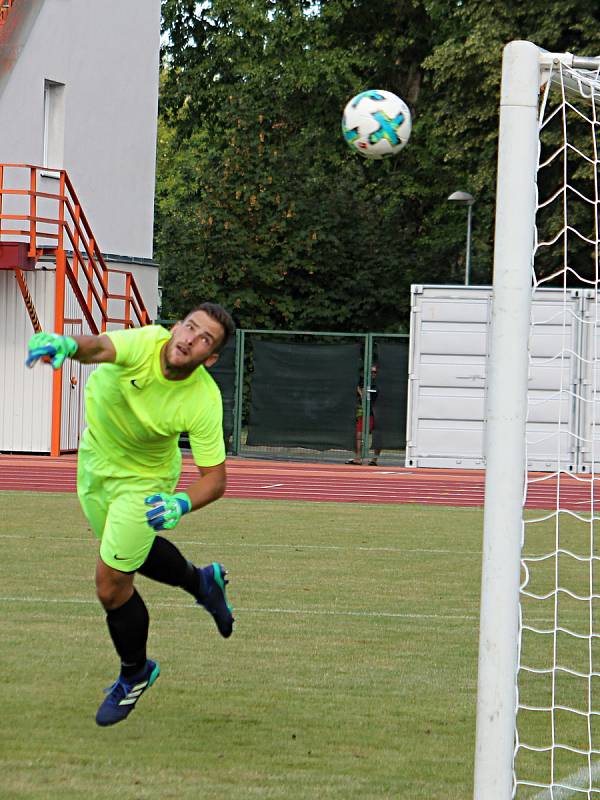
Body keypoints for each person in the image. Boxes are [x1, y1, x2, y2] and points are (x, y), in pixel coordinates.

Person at [26, 302, 236, 727]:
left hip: (143, 484)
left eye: (204, 339)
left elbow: (215, 479)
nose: (190, 340)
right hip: (95, 468)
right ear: (175, 327)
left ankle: (135, 672)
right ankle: (202, 581)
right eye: (189, 328)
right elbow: (99, 348)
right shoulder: (144, 341)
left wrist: (179, 503)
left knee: (111, 585)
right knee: (128, 556)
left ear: (209, 358)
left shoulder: (202, 399)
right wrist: (67, 345)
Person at [346, 364, 382, 466]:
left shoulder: (380, 384)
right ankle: (358, 459)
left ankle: (374, 460)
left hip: (378, 414)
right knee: (359, 434)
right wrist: (361, 392)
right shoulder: (363, 382)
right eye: (371, 372)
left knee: (378, 437)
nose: (373, 374)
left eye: (375, 372)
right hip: (366, 413)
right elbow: (361, 394)